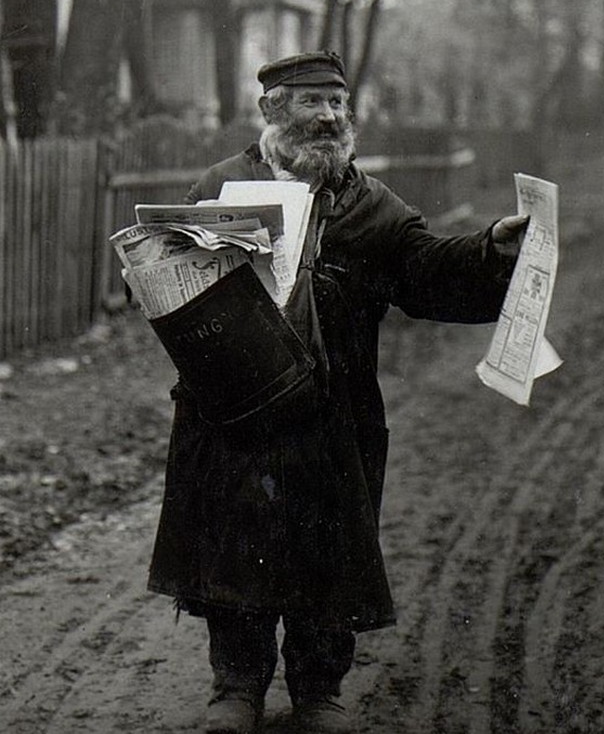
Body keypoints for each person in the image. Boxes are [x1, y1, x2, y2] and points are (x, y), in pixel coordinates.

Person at [147, 51, 528, 734]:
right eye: (310, 102)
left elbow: (425, 269)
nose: (328, 117)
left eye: (338, 103)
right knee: (237, 540)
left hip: (334, 416)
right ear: (271, 111)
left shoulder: (371, 205)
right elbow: (163, 279)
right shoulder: (221, 187)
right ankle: (236, 685)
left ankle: (320, 690)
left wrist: (492, 248)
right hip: (233, 414)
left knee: (329, 547)